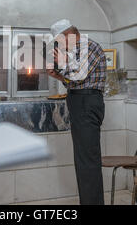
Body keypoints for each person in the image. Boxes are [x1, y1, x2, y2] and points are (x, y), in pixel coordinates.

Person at [47, 19, 107, 205]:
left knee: (87, 160)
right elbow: (75, 81)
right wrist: (59, 75)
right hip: (80, 100)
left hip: (87, 102)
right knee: (83, 159)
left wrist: (62, 64)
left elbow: (80, 76)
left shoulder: (89, 46)